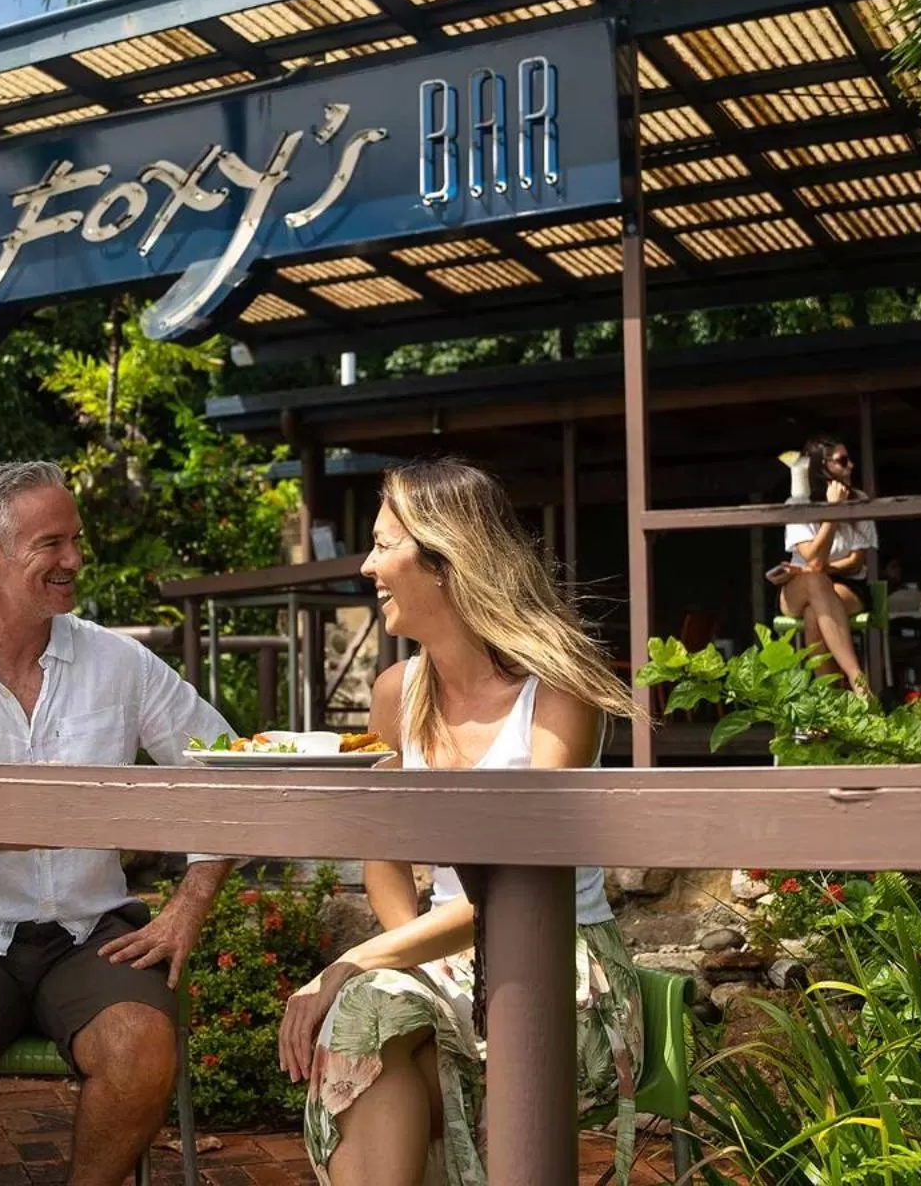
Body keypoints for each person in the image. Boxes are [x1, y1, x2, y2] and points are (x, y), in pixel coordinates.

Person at [275, 459, 644, 1186]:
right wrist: (400, 953)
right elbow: (380, 849)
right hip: (446, 957)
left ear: (444, 561)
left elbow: (523, 886)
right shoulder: (396, 694)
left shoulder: (558, 693)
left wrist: (356, 961)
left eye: (385, 545)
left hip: (561, 959)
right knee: (371, 1016)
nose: (366, 565)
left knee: (363, 1005)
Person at [0, 460, 235, 1186]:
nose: (74, 559)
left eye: (75, 540)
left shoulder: (120, 662)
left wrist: (189, 906)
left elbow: (225, 770)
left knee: (142, 1053)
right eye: (52, 543)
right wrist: (74, 817)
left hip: (91, 934)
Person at [769, 435, 873, 692]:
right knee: (815, 581)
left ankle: (830, 703)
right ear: (822, 467)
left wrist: (815, 569)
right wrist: (832, 513)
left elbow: (856, 561)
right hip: (800, 586)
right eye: (843, 461)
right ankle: (857, 681)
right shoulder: (798, 505)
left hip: (846, 584)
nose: (850, 467)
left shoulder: (859, 498)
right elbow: (813, 560)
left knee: (814, 612)